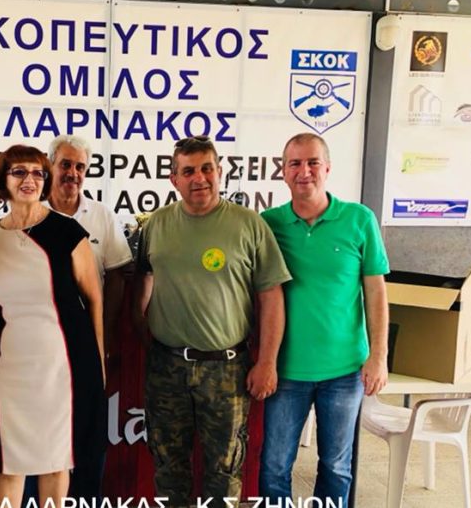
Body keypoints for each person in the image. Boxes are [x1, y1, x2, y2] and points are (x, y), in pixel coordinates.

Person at [133, 135, 290, 507]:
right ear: (174, 179)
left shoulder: (249, 224)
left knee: (225, 472)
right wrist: (143, 329)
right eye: (188, 171)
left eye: (207, 168)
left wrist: (267, 362)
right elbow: (143, 278)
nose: (199, 178)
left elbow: (271, 295)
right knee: (168, 468)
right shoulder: (156, 224)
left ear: (220, 172)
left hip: (226, 369)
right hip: (167, 366)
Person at [259, 133, 389, 507]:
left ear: (327, 168)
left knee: (336, 466)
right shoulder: (268, 224)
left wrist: (378, 356)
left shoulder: (359, 219)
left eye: (313, 162)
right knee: (274, 466)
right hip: (286, 370)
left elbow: (376, 292)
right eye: (295, 163)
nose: (305, 171)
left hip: (344, 371)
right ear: (283, 172)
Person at [0, 144, 105, 508]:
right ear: (3, 180)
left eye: (37, 173)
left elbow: (94, 299)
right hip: (9, 369)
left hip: (61, 365)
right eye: (19, 172)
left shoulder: (67, 231)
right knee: (8, 462)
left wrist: (98, 363)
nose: (29, 180)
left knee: (56, 458)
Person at [45, 134, 132, 499]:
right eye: (65, 164)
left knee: (89, 434)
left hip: (86, 339)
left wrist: (103, 334)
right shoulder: (29, 212)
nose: (73, 173)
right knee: (43, 436)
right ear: (50, 166)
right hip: (41, 344)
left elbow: (118, 275)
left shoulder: (101, 216)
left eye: (80, 166)